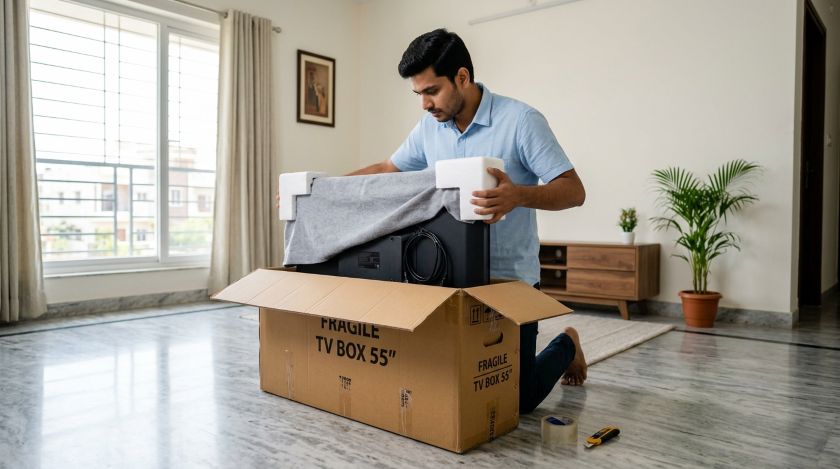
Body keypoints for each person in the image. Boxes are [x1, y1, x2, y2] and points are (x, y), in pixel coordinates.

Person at [347, 28, 587, 414]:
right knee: (452, 380)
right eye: (419, 94)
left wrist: (519, 194)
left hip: (511, 280)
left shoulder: (521, 120)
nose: (424, 104)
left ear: (462, 77)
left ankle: (567, 344)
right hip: (450, 277)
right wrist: (321, 187)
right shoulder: (430, 128)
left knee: (518, 398)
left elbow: (574, 190)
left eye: (431, 91)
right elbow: (388, 168)